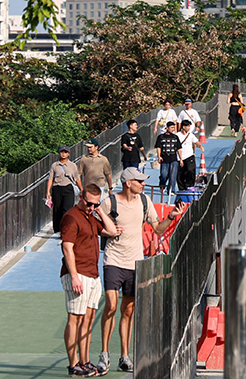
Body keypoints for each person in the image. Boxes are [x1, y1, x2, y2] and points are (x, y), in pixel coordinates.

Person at [98, 168, 185, 374]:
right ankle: (104, 353)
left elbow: (158, 228)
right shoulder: (110, 202)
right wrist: (107, 231)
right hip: (113, 260)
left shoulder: (144, 202)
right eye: (140, 181)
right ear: (128, 183)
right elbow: (95, 226)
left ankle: (124, 356)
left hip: (135, 262)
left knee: (128, 310)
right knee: (110, 305)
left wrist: (171, 217)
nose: (143, 184)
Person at [60, 184, 120, 377]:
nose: (91, 207)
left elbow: (112, 231)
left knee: (88, 318)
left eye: (95, 204)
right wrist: (75, 276)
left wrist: (100, 211)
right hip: (78, 274)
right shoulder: (71, 217)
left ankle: (85, 361)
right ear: (80, 198)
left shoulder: (91, 216)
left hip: (93, 274)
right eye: (89, 203)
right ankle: (73, 364)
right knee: (74, 318)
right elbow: (67, 248)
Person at [46, 146, 83, 234]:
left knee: (67, 209)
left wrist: (82, 189)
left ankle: (66, 229)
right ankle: (57, 229)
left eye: (65, 152)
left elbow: (77, 178)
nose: (63, 154)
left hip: (68, 188)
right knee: (57, 209)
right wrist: (48, 191)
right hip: (57, 188)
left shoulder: (72, 165)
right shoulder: (55, 165)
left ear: (68, 154)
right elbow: (51, 178)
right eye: (62, 152)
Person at [155, 121, 182, 199]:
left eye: (174, 127)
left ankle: (171, 190)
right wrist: (159, 156)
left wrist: (181, 159)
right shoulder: (161, 137)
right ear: (167, 128)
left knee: (172, 175)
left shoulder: (175, 137)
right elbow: (158, 147)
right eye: (171, 127)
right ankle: (162, 185)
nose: (173, 129)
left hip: (173, 159)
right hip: (164, 159)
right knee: (164, 175)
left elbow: (179, 149)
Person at [176, 119, 203, 190]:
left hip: (189, 156)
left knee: (190, 170)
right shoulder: (177, 135)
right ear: (183, 127)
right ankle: (181, 188)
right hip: (180, 157)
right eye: (188, 126)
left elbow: (196, 142)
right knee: (180, 173)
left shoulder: (191, 135)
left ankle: (190, 186)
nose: (189, 128)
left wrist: (200, 146)